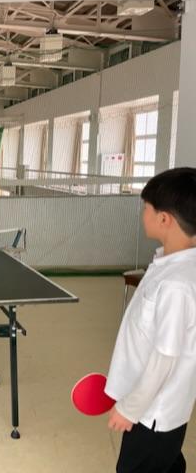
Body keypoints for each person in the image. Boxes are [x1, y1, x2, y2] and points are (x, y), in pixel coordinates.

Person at [105, 167, 196, 473]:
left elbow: (164, 357)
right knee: (168, 463)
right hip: (159, 410)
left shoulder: (176, 284)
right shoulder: (172, 266)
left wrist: (130, 409)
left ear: (164, 219)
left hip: (151, 414)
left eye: (146, 208)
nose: (143, 214)